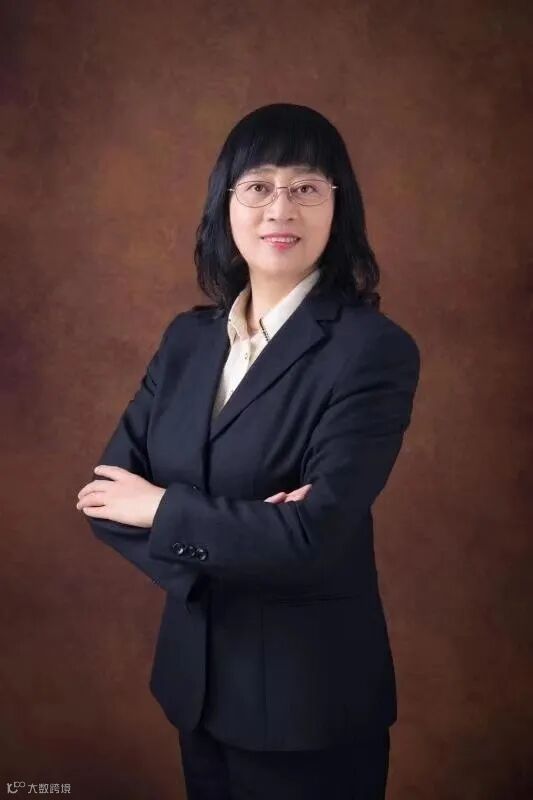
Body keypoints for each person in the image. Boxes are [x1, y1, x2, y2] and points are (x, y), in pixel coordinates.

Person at [76, 103, 421, 800]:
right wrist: (255, 535)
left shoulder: (372, 350)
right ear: (225, 203)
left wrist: (162, 508)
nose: (279, 209)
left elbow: (313, 535)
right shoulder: (187, 341)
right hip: (195, 690)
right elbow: (106, 498)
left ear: (338, 206)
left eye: (306, 187)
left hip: (309, 705)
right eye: (258, 185)